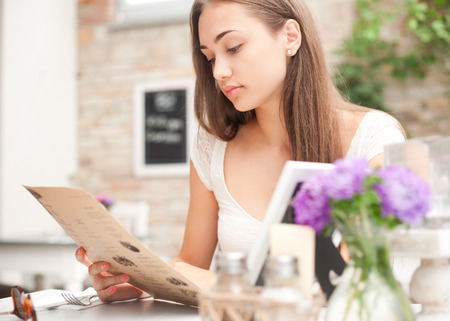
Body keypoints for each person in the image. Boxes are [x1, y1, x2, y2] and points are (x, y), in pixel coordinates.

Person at [76, 0, 405, 302]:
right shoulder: (213, 148)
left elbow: (347, 282)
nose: (219, 71)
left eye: (233, 47)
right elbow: (189, 265)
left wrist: (213, 281)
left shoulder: (372, 140)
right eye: (210, 57)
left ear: (290, 36)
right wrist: (138, 285)